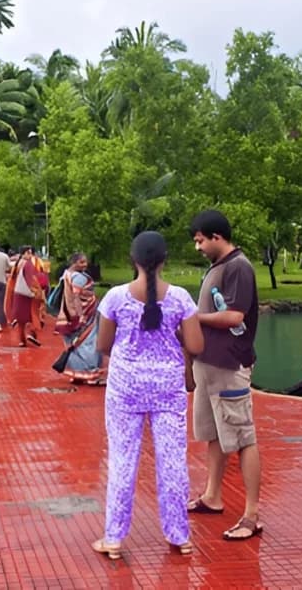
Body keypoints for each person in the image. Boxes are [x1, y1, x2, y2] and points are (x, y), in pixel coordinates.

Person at [91, 231, 204, 560]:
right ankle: (180, 536)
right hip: (168, 388)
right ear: (164, 260)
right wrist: (178, 331)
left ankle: (113, 538)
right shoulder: (181, 298)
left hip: (126, 388)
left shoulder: (115, 297)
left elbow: (102, 345)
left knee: (123, 461)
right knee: (172, 462)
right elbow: (196, 346)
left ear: (134, 260)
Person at [187, 209, 263, 541]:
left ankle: (251, 514)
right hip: (208, 364)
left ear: (217, 236)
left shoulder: (238, 268)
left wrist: (194, 317)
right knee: (214, 434)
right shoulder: (218, 268)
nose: (198, 247)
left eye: (201, 240)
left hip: (229, 366)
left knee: (243, 438)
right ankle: (212, 496)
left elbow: (234, 316)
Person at [57, 253, 103, 383]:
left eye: (85, 262)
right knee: (88, 343)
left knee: (73, 344)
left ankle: (76, 373)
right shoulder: (78, 278)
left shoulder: (66, 274)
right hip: (84, 315)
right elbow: (77, 297)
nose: (85, 264)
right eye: (82, 262)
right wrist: (81, 314)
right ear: (74, 262)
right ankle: (90, 373)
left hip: (67, 315)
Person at [5, 246, 43, 347]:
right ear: (25, 253)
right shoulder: (27, 264)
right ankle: (30, 333)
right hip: (28, 294)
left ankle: (22, 340)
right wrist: (36, 291)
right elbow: (30, 279)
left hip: (17, 292)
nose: (31, 255)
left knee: (20, 319)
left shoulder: (17, 264)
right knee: (32, 314)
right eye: (29, 253)